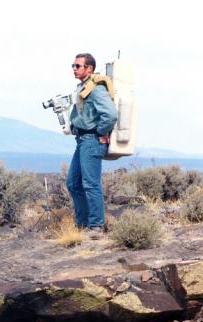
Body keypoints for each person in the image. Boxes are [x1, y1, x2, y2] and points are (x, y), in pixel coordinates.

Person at [66, 53, 117, 237]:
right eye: (73, 65)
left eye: (78, 66)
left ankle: (96, 226)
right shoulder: (84, 88)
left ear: (89, 68)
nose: (74, 69)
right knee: (73, 183)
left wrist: (102, 132)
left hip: (92, 140)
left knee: (90, 184)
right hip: (82, 141)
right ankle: (82, 224)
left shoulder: (96, 89)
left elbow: (110, 115)